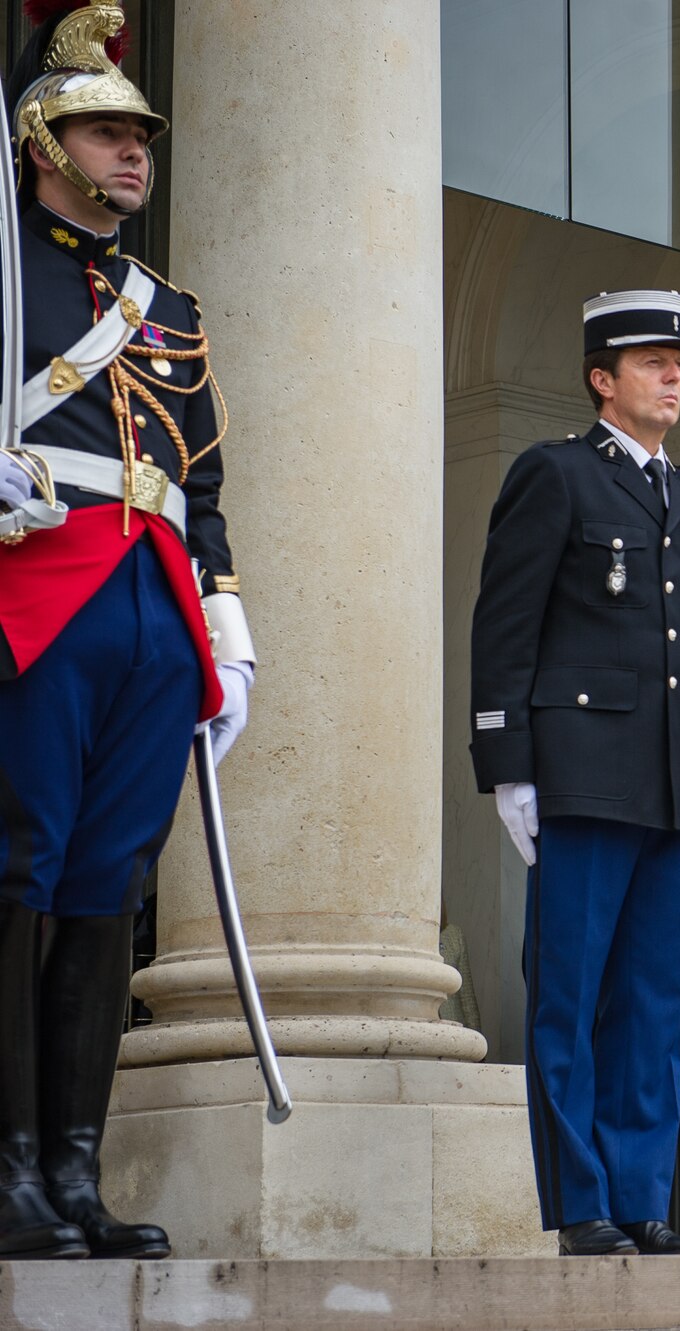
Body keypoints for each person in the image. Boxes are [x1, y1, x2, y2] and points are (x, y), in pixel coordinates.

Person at [0, 2, 252, 1262]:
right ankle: (8, 1170)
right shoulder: (0, 267)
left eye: (141, 133)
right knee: (17, 876)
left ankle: (73, 1171)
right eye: (107, 130)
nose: (134, 150)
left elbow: (200, 477)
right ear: (45, 138)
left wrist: (227, 613)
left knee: (107, 891)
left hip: (153, 607)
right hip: (34, 596)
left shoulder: (167, 301)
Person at [469, 289, 680, 1258]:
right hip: (576, 774)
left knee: (657, 1005)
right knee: (570, 996)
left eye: (679, 360)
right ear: (600, 378)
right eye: (653, 359)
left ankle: (642, 1197)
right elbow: (505, 626)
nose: (673, 374)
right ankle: (583, 1204)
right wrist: (507, 763)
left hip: (667, 784)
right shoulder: (556, 475)